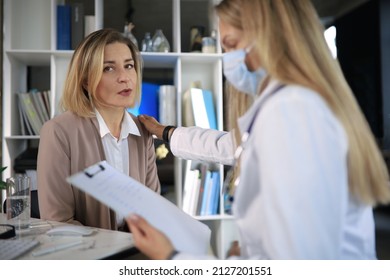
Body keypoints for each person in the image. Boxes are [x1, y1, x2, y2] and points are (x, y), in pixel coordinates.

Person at [126, 0, 390, 259]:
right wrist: (166, 132)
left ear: (270, 37)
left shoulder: (291, 111)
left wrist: (171, 256)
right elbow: (231, 146)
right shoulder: (292, 105)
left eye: (231, 45)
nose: (228, 58)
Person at [37, 28, 161, 231]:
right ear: (86, 80)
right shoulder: (58, 132)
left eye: (129, 66)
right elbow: (58, 222)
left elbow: (153, 210)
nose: (124, 77)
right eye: (108, 69)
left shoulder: (143, 131)